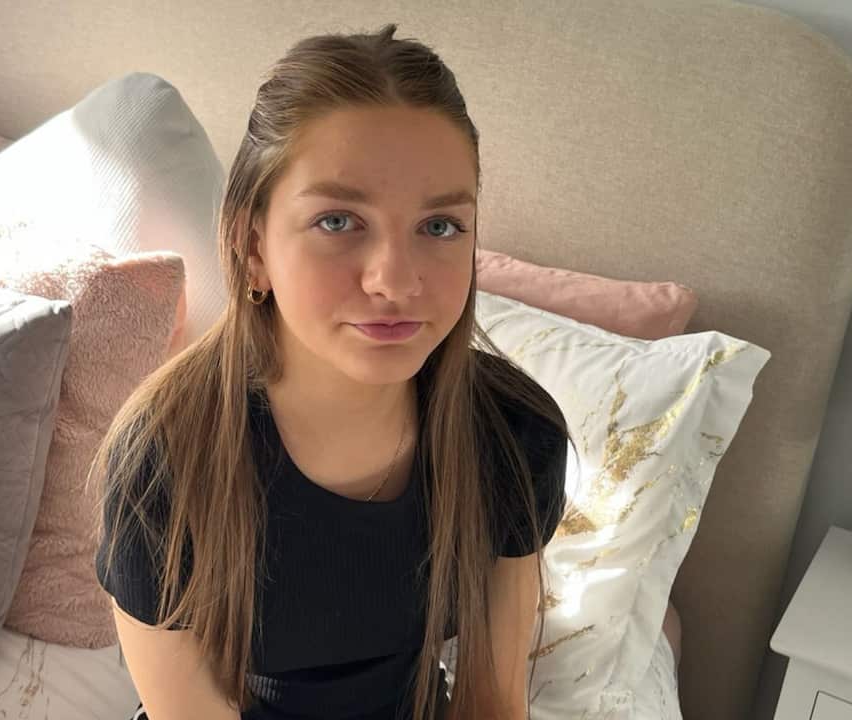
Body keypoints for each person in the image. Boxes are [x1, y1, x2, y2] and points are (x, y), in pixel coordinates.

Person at [94, 23, 569, 720]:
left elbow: (492, 703)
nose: (395, 281)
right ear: (253, 246)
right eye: (339, 221)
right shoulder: (167, 455)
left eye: (440, 226)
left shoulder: (513, 434)